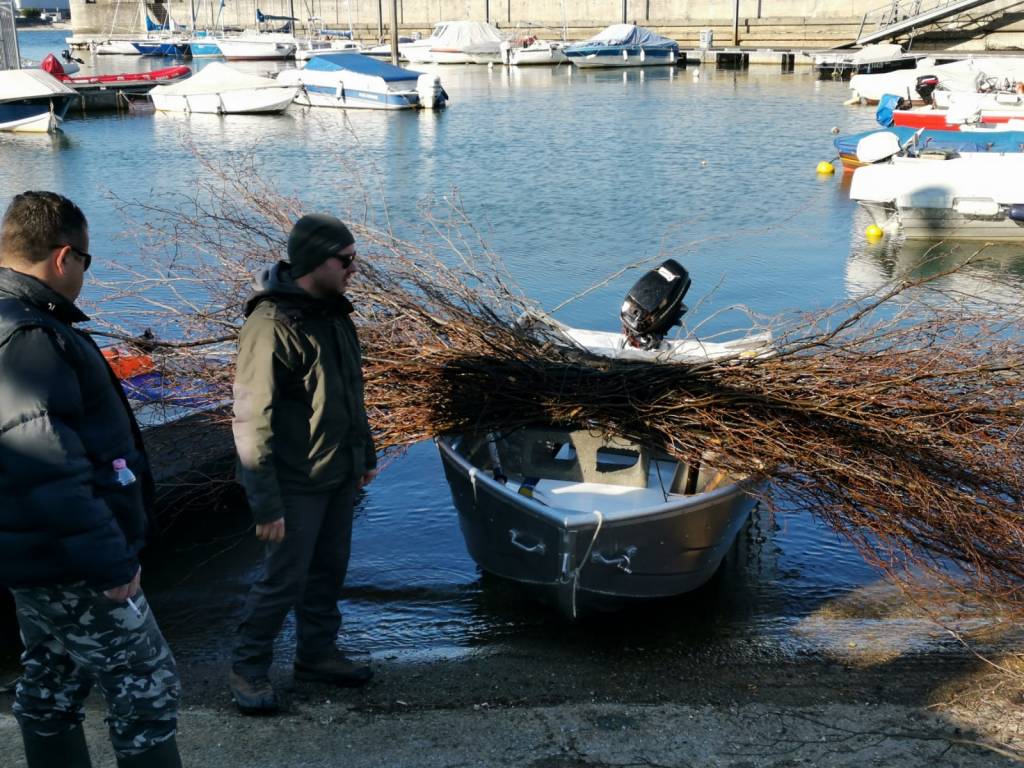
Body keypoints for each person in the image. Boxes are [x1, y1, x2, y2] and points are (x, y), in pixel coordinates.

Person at [0, 191, 182, 767]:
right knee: (147, 685)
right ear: (63, 258)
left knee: (53, 677)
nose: (84, 273)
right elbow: (46, 462)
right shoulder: (29, 337)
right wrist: (109, 562)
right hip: (69, 558)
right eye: (86, 260)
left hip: (34, 552)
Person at [229, 213, 378, 715]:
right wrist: (266, 503)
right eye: (347, 259)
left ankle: (316, 657)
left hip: (336, 471)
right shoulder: (270, 326)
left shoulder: (334, 314)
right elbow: (253, 419)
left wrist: (365, 453)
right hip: (295, 482)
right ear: (318, 260)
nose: (355, 268)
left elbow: (350, 393)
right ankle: (248, 670)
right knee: (283, 579)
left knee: (327, 572)